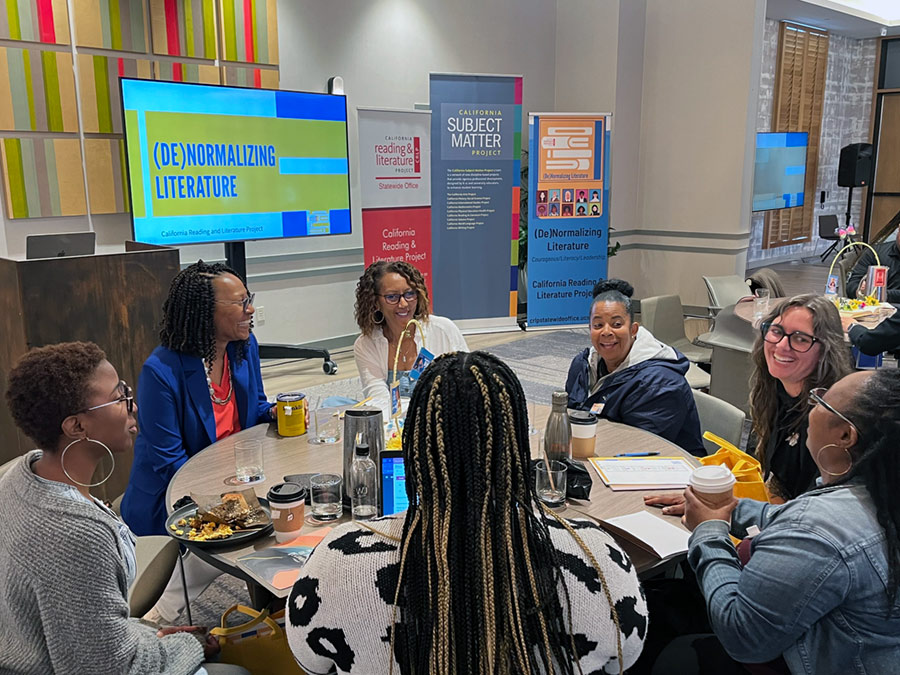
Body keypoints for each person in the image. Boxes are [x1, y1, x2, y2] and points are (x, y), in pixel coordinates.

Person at [286, 351, 647, 674]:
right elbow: (624, 657)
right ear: (518, 451)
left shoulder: (337, 560)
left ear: (413, 450)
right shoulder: (597, 556)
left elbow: (310, 662)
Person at [0, 342, 247, 674]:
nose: (134, 407)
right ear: (76, 427)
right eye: (119, 398)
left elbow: (86, 624)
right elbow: (106, 667)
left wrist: (149, 635)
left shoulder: (18, 473)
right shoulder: (77, 535)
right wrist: (183, 645)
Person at [673, 369, 900, 674]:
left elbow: (742, 637)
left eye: (821, 401)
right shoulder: (880, 494)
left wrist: (708, 531)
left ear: (845, 435)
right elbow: (796, 522)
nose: (812, 406)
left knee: (673, 649)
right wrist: (730, 508)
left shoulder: (820, 527)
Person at [121, 260, 274, 623]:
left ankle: (274, 612)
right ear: (206, 313)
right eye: (240, 303)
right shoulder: (161, 371)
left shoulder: (243, 346)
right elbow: (170, 462)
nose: (250, 309)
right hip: (173, 495)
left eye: (248, 298)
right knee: (249, 540)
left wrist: (284, 411)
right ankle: (154, 620)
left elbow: (256, 407)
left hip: (236, 478)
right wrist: (233, 503)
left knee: (290, 510)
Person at [646, 295, 852, 516]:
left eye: (800, 339)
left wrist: (726, 509)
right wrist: (713, 500)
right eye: (777, 331)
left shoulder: (830, 418)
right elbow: (778, 484)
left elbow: (814, 512)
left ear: (825, 350)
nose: (782, 346)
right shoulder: (776, 392)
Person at [566, 279, 705, 455]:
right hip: (599, 455)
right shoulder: (583, 364)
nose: (606, 332)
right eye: (598, 325)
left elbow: (640, 447)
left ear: (633, 330)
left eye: (617, 324)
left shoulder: (659, 383)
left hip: (661, 470)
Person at [353, 260, 468, 418]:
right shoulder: (366, 344)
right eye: (392, 297)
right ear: (375, 302)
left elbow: (466, 382)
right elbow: (378, 398)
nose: (403, 304)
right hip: (393, 424)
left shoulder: (443, 330)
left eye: (410, 294)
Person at [847, 227, 900, 301]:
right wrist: (859, 290)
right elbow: (852, 285)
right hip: (872, 308)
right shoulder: (876, 253)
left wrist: (882, 294)